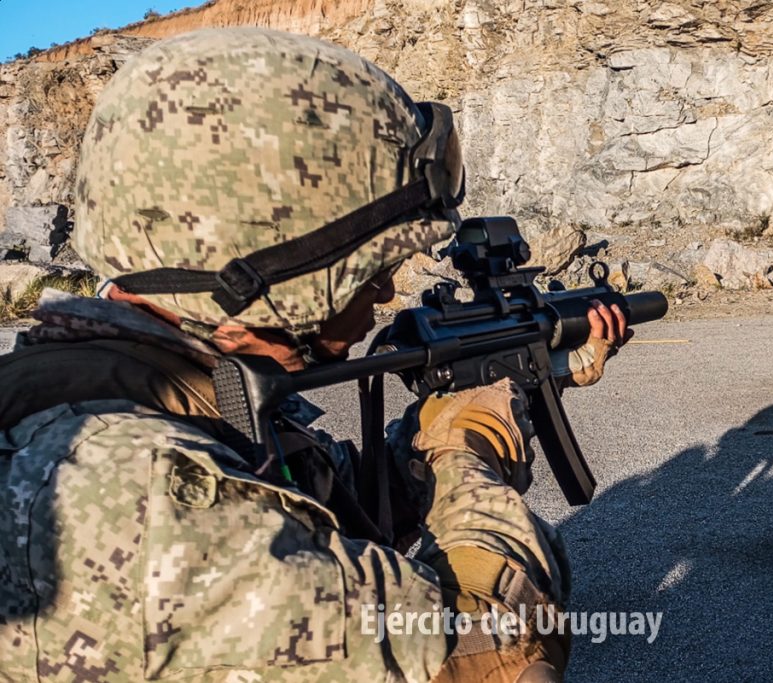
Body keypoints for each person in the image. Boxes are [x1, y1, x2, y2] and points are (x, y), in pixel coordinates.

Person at [0, 28, 629, 683]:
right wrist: (471, 446)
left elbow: (330, 509)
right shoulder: (143, 501)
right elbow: (490, 645)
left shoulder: (153, 389)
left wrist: (471, 407)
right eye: (370, 267)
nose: (384, 291)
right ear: (273, 267)